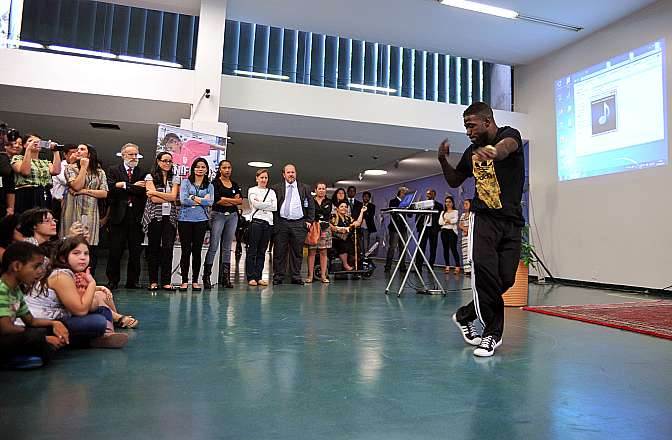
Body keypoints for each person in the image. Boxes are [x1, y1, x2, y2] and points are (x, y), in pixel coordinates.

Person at [438, 101, 524, 357]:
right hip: (483, 219)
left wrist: (494, 153)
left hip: (511, 220)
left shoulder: (509, 135)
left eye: (471, 125)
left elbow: (507, 148)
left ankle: (465, 315)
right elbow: (455, 180)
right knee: (486, 276)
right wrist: (442, 159)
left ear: (487, 122)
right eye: (465, 126)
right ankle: (491, 334)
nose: (468, 131)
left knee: (506, 279)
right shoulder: (471, 151)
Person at [26, 236, 129, 348]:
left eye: (86, 253)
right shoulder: (61, 276)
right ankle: (91, 340)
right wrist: (91, 284)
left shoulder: (72, 274)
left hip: (57, 319)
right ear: (63, 258)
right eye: (76, 253)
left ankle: (105, 335)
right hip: (41, 325)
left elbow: (91, 306)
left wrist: (84, 292)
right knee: (99, 322)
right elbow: (81, 311)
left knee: (103, 310)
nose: (83, 257)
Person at [0, 242, 69, 368]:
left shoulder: (15, 290)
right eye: (36, 266)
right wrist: (45, 339)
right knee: (36, 336)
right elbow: (6, 329)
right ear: (17, 266)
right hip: (3, 336)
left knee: (41, 332)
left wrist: (55, 323)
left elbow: (31, 321)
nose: (40, 271)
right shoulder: (2, 290)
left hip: (9, 337)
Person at [61, 144, 108, 276]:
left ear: (90, 154)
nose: (78, 151)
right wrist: (83, 168)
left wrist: (85, 191)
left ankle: (88, 278)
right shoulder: (70, 168)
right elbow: (76, 186)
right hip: (73, 210)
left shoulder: (100, 172)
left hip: (91, 212)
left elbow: (104, 193)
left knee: (90, 246)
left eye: (82, 149)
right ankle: (69, 276)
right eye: (77, 150)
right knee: (71, 244)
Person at [105, 143, 146, 290]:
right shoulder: (113, 170)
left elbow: (142, 192)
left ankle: (133, 281)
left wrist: (123, 185)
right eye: (131, 154)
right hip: (118, 216)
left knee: (135, 252)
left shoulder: (142, 172)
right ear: (123, 155)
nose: (134, 157)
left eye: (136, 154)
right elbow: (110, 190)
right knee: (115, 250)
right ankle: (113, 281)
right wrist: (132, 187)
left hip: (136, 217)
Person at [142, 152, 180, 291]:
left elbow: (174, 197)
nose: (167, 163)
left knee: (168, 249)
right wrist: (167, 196)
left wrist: (156, 193)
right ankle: (153, 281)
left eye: (170, 161)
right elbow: (153, 200)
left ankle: (166, 281)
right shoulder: (150, 177)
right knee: (153, 249)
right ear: (158, 162)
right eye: (164, 161)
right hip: (154, 216)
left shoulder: (175, 178)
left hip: (169, 217)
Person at [272, 164, 315, 285]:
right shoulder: (276, 188)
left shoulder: (305, 188)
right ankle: (278, 277)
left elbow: (311, 206)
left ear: (296, 173)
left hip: (299, 224)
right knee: (280, 252)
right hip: (281, 223)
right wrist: (275, 222)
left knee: (297, 252)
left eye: (293, 172)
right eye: (288, 172)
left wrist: (309, 221)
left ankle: (296, 277)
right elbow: (273, 207)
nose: (291, 174)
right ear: (284, 175)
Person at [204, 160, 242, 289]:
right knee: (214, 245)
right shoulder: (214, 183)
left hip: (233, 216)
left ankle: (225, 278)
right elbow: (217, 201)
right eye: (224, 167)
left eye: (229, 167)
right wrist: (231, 201)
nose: (227, 170)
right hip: (218, 215)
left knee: (227, 247)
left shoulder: (235, 184)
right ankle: (206, 276)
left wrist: (226, 199)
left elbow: (240, 200)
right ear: (220, 169)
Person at [178, 158, 214, 290]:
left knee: (197, 251)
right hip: (185, 220)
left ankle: (195, 280)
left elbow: (210, 202)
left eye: (203, 167)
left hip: (201, 220)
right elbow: (183, 200)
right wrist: (200, 199)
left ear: (206, 170)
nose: (200, 169)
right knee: (185, 251)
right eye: (197, 166)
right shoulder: (186, 182)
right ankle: (184, 280)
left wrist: (192, 197)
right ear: (193, 168)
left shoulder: (209, 185)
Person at [10, 134, 62, 215]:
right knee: (27, 220)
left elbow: (56, 171)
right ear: (24, 145)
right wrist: (28, 150)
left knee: (44, 219)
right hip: (27, 193)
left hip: (44, 193)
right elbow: (25, 172)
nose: (35, 143)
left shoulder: (45, 162)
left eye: (38, 142)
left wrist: (55, 151)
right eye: (30, 141)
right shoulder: (18, 158)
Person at [245, 169, 277, 286]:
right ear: (257, 178)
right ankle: (250, 277)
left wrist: (263, 204)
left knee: (262, 251)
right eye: (262, 177)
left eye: (266, 178)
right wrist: (267, 204)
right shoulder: (252, 190)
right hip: (256, 223)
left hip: (268, 223)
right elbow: (256, 204)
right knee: (252, 250)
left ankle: (258, 276)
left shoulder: (272, 192)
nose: (264, 180)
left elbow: (274, 207)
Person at [306, 182, 332, 284]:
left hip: (325, 228)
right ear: (315, 190)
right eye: (319, 188)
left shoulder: (329, 201)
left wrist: (318, 215)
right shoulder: (310, 201)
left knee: (323, 252)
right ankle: (310, 276)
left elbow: (327, 213)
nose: (321, 190)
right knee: (311, 252)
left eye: (323, 188)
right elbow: (310, 213)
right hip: (313, 228)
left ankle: (323, 276)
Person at [330, 202, 366, 271]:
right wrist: (339, 229)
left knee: (356, 243)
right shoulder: (334, 217)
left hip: (347, 239)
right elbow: (331, 227)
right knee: (343, 244)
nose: (344, 208)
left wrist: (362, 212)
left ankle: (357, 265)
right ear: (337, 209)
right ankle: (345, 264)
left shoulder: (348, 218)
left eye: (345, 207)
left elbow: (357, 223)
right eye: (342, 206)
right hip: (336, 239)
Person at [50, 144, 78, 228]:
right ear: (65, 155)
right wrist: (72, 164)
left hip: (73, 202)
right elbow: (67, 181)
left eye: (77, 152)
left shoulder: (79, 167)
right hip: (58, 202)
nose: (75, 155)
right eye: (72, 153)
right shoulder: (60, 165)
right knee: (56, 228)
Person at [414, 189, 443, 273]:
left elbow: (441, 217)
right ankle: (418, 268)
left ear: (434, 195)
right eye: (427, 194)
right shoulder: (422, 204)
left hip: (433, 229)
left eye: (430, 194)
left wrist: (438, 228)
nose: (428, 195)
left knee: (433, 249)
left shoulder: (439, 205)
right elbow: (417, 215)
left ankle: (430, 268)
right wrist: (418, 227)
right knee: (420, 248)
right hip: (423, 228)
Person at [384, 186, 409, 272]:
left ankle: (402, 267)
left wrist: (410, 207)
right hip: (394, 228)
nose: (405, 195)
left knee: (403, 248)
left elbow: (409, 215)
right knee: (392, 248)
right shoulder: (393, 201)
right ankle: (388, 267)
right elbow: (393, 213)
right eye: (405, 194)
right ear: (401, 192)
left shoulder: (406, 203)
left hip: (403, 228)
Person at [439, 195, 460, 274]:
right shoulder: (442, 212)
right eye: (446, 202)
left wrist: (448, 221)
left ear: (452, 203)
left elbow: (455, 220)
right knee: (445, 249)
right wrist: (447, 221)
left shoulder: (455, 212)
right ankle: (447, 266)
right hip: (444, 231)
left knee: (453, 249)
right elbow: (440, 222)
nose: (447, 203)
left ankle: (457, 266)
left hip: (452, 232)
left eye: (449, 202)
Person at [458, 199, 473, 275]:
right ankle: (466, 270)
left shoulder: (472, 214)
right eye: (464, 204)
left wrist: (468, 230)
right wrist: (464, 229)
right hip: (464, 236)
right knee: (464, 252)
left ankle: (471, 269)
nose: (465, 205)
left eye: (466, 204)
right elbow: (460, 224)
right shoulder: (463, 215)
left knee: (470, 252)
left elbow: (472, 225)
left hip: (470, 237)